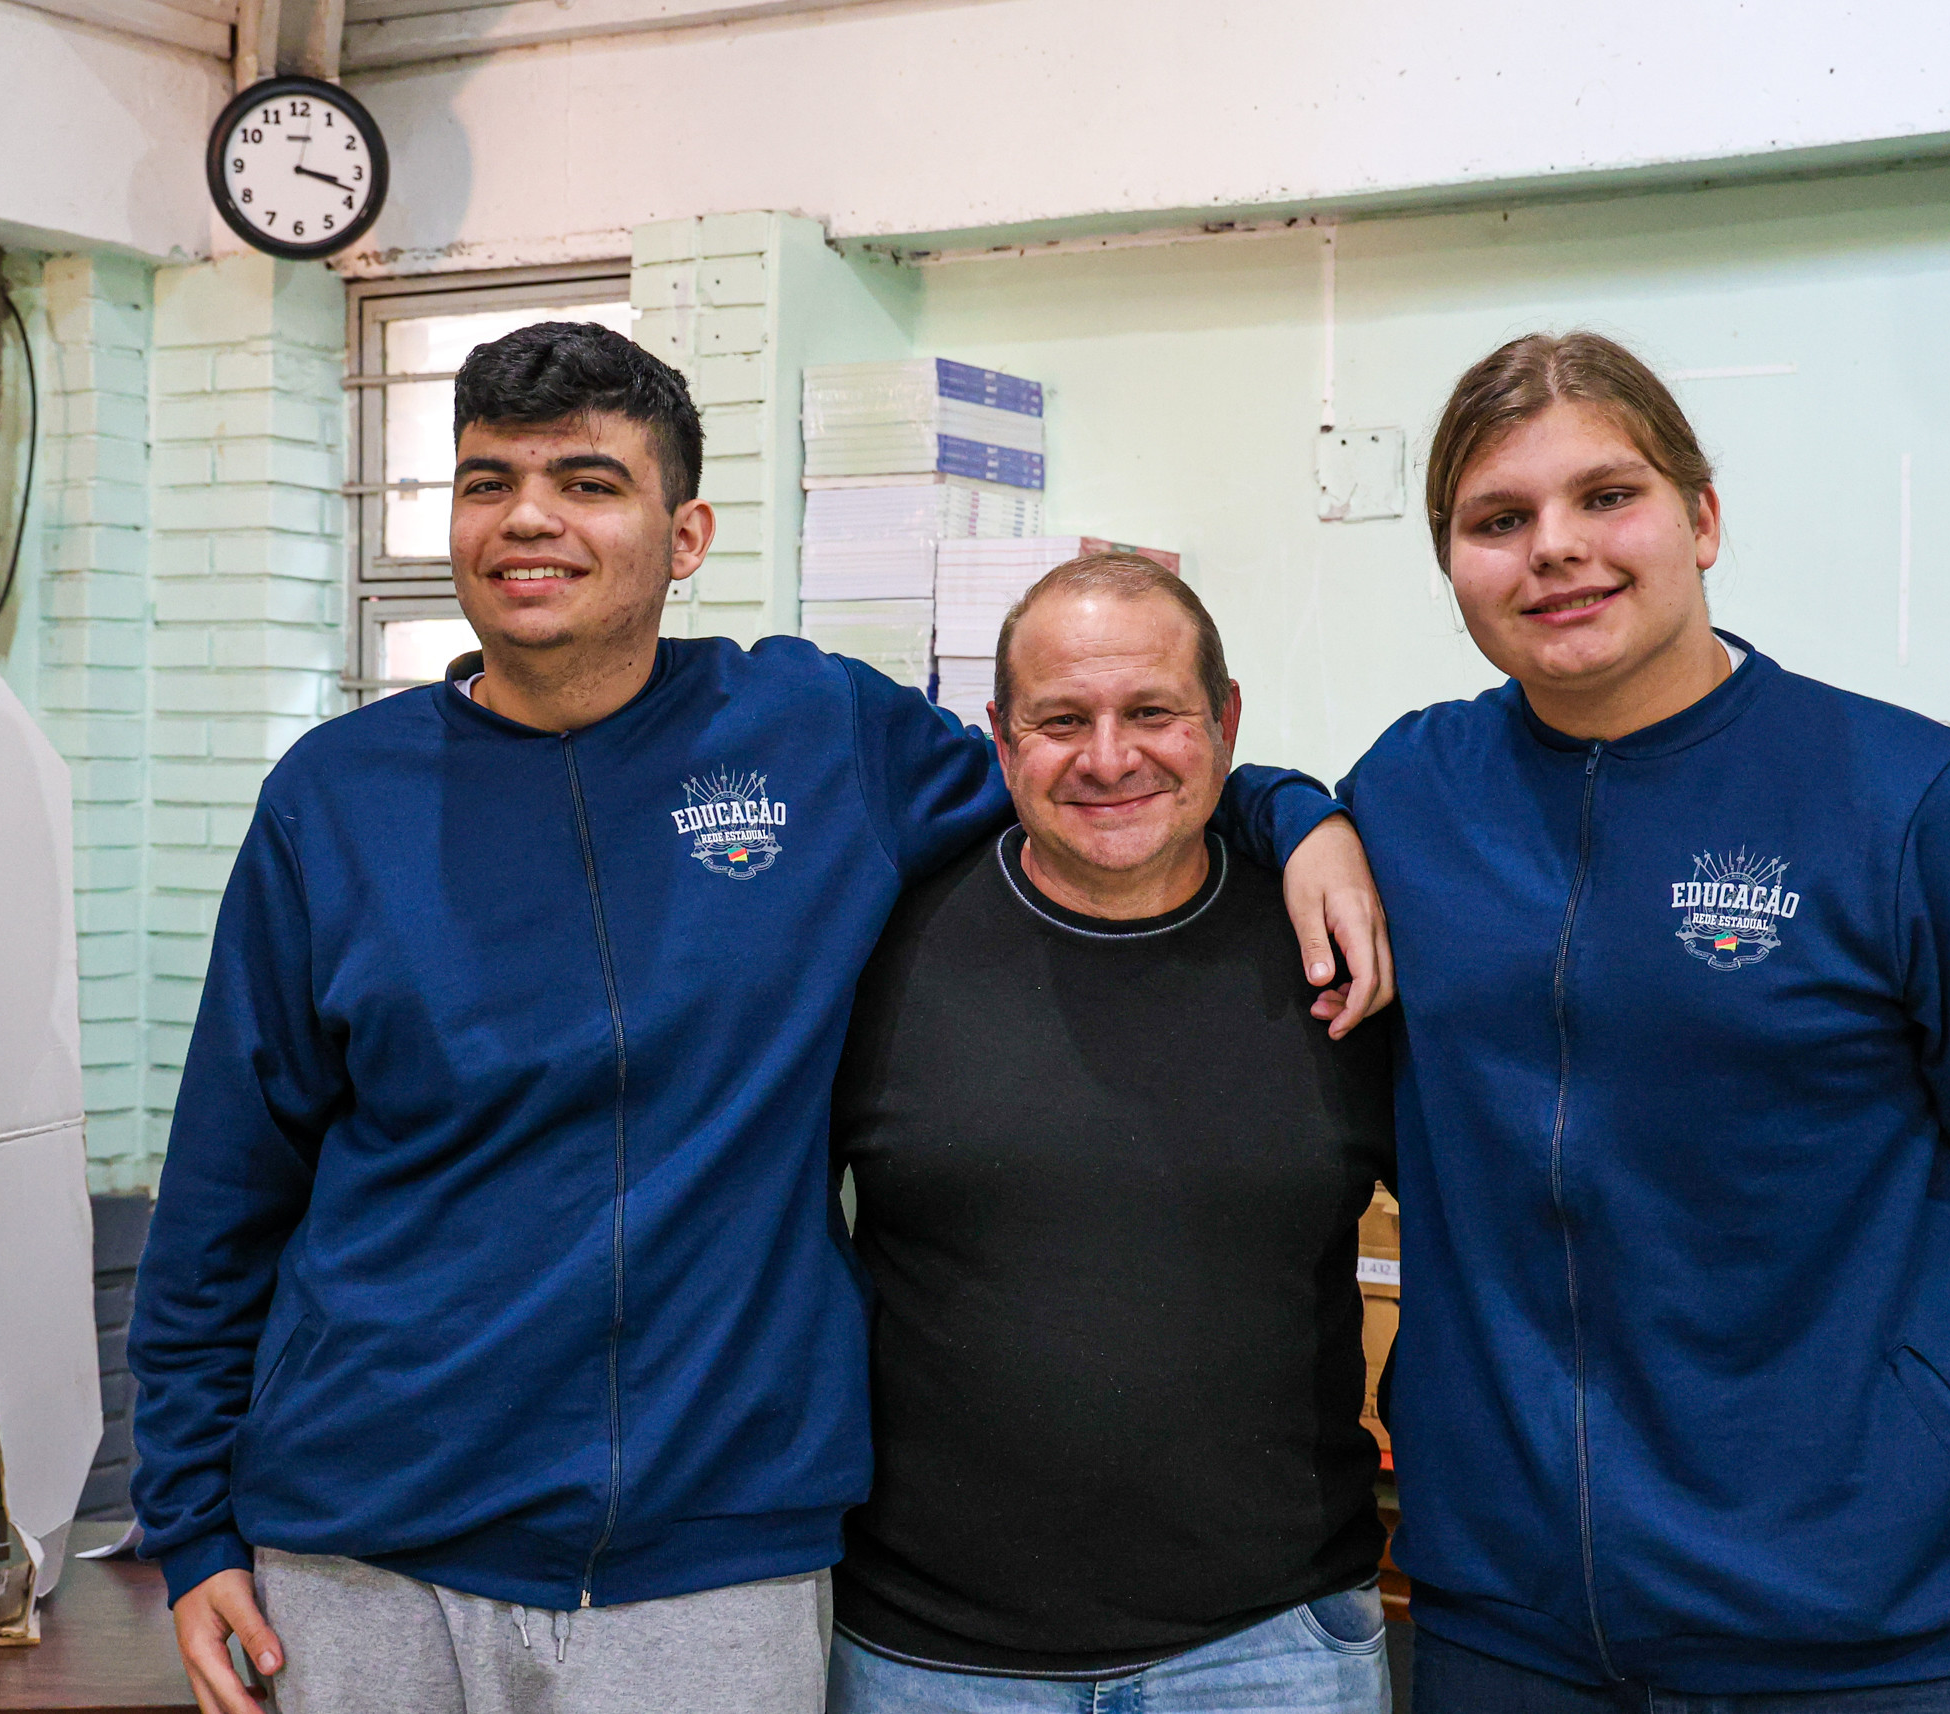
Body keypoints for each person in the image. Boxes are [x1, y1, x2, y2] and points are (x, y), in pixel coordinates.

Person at [127, 322, 1393, 1714]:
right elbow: (224, 1193)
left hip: (710, 1557)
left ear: (687, 536)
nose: (530, 516)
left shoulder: (815, 732)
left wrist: (1295, 813)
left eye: (588, 481)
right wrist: (191, 1523)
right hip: (366, 1544)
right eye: (490, 482)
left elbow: (1095, 775)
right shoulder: (333, 800)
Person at [1342, 331, 1950, 1713]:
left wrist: (1931, 1385)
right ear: (1452, 564)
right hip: (1508, 1621)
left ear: (1702, 518)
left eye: (1606, 496)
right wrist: (1290, 817)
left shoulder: (1922, 804)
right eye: (1498, 519)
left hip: (1862, 1632)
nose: (1554, 546)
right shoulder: (1411, 792)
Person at [827, 554, 1398, 1714]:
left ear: (1226, 722)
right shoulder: (880, 941)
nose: (1107, 756)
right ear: (999, 739)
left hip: (1273, 1650)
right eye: (1060, 720)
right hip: (929, 1657)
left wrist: (1300, 810)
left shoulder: (1337, 946)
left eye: (1152, 712)